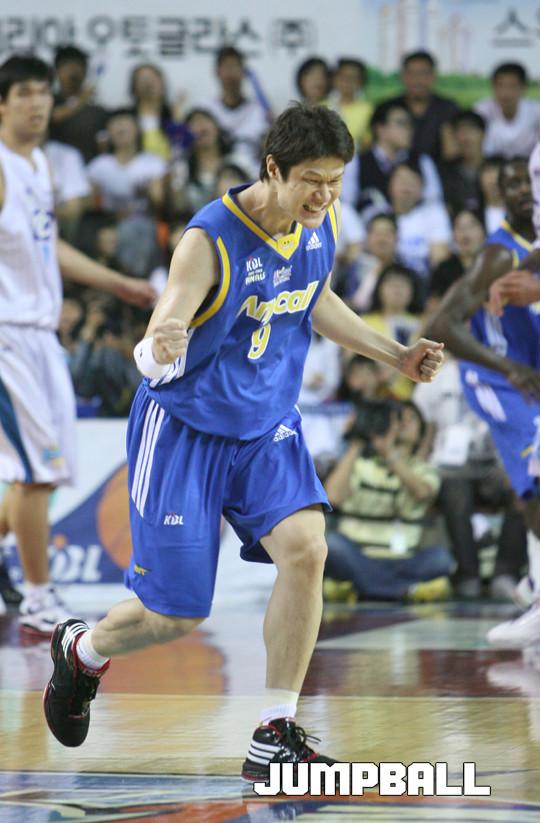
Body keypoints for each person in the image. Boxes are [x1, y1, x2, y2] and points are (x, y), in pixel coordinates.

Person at [43, 103, 443, 777]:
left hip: (264, 426)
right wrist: (156, 349)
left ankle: (273, 729)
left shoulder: (318, 223)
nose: (324, 195)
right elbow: (160, 331)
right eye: (312, 180)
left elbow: (314, 298)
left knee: (307, 550)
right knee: (175, 615)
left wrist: (394, 355)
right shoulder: (210, 239)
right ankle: (82, 651)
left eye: (335, 182)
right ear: (272, 168)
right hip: (185, 429)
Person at [0, 54, 155, 634]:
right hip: (7, 335)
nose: (38, 102)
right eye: (24, 93)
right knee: (37, 471)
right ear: (2, 103)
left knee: (46, 469)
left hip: (41, 336)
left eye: (43, 92)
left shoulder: (39, 163)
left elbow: (48, 247)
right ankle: (38, 597)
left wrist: (115, 282)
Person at [425, 156, 540, 645]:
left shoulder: (532, 248)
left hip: (530, 375)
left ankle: (532, 582)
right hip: (498, 379)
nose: (523, 190)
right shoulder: (498, 254)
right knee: (534, 476)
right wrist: (506, 367)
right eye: (511, 184)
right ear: (499, 194)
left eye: (527, 181)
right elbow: (440, 325)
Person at [324, 400, 452, 602]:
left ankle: (363, 588)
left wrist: (389, 453)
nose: (404, 424)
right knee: (332, 545)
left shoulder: (424, 469)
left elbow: (421, 492)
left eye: (411, 419)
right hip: (358, 555)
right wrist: (356, 443)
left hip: (404, 560)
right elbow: (332, 497)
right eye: (398, 419)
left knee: (440, 559)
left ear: (420, 432)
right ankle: (402, 589)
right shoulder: (360, 464)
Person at [384, 50, 459, 163]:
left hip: (439, 169)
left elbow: (452, 153)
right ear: (403, 76)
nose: (417, 80)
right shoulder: (389, 107)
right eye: (411, 73)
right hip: (396, 168)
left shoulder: (448, 108)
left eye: (423, 73)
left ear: (433, 76)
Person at [49, 45, 107, 163]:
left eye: (79, 66)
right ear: (56, 72)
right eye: (67, 66)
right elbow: (51, 118)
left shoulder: (98, 111)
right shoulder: (48, 101)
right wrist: (81, 99)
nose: (74, 71)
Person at [475, 63, 540, 159]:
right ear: (493, 87)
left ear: (524, 88)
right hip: (491, 164)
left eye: (512, 86)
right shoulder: (481, 111)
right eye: (500, 85)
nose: (505, 93)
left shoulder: (536, 111)